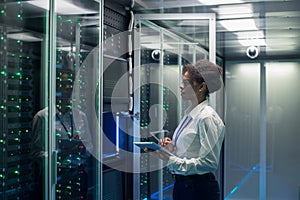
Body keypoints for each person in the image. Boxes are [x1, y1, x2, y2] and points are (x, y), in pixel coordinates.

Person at [153, 59, 225, 200]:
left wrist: (172, 160)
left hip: (198, 190)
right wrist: (172, 149)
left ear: (201, 87)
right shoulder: (190, 115)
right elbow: (191, 152)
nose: (180, 86)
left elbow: (209, 163)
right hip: (183, 186)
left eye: (185, 83)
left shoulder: (206, 117)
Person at [31, 67, 93, 199]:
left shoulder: (80, 116)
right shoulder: (43, 117)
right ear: (56, 87)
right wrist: (58, 154)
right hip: (55, 176)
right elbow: (36, 153)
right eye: (64, 84)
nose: (68, 88)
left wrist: (80, 149)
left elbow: (90, 147)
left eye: (71, 85)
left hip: (78, 174)